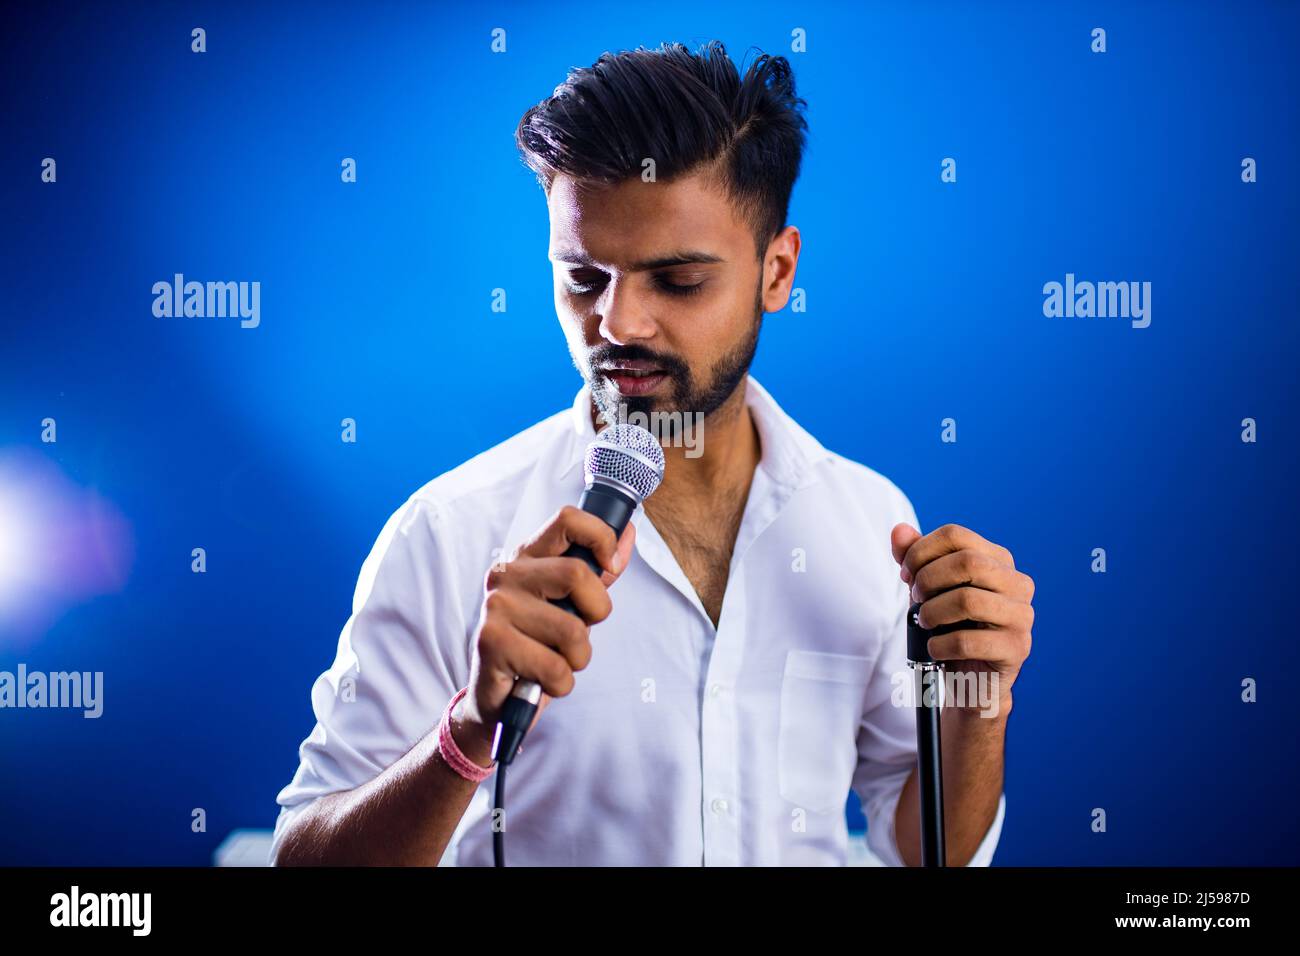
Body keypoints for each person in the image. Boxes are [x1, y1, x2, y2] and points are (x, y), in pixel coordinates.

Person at [271, 40, 1035, 866]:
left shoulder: (870, 522)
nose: (619, 325)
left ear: (777, 272)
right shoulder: (448, 534)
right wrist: (469, 726)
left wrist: (976, 704)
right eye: (583, 278)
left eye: (676, 282)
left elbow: (926, 852)